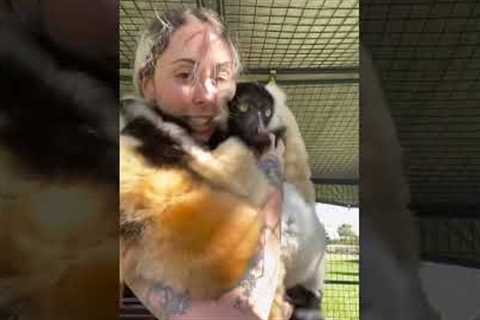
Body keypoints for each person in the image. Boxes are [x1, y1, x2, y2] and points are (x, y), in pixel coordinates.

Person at [120, 7, 291, 320]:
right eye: (185, 75)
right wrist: (273, 196)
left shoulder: (231, 150)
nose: (207, 95)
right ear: (147, 83)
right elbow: (238, 315)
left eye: (220, 76)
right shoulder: (132, 162)